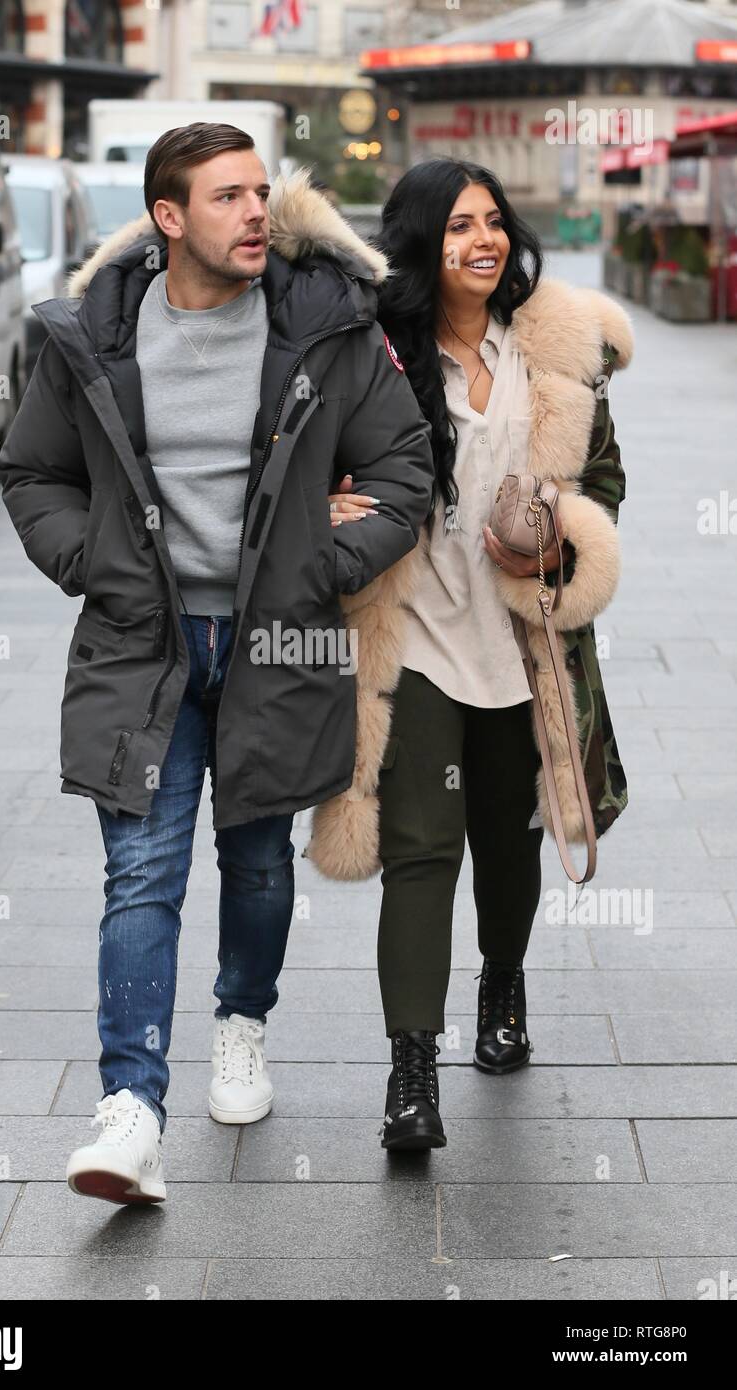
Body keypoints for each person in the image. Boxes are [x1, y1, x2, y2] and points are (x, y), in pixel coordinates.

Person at [0, 124, 434, 1203]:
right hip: (137, 639)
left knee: (257, 861)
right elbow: (31, 472)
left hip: (277, 639)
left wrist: (323, 562)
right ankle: (130, 1107)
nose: (255, 214)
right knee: (139, 870)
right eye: (227, 196)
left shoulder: (325, 327)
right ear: (166, 217)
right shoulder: (89, 334)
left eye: (259, 192)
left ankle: (241, 1021)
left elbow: (403, 466)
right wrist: (89, 563)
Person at [307, 157, 633, 1151]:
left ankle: (501, 980)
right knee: (418, 853)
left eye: (492, 221)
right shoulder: (374, 358)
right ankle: (411, 1072)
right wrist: (322, 502)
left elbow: (605, 479)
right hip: (413, 644)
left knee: (509, 837)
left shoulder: (552, 353)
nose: (482, 241)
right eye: (457, 226)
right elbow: (305, 457)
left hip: (522, 642)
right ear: (417, 242)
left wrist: (561, 529)